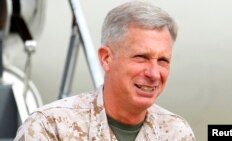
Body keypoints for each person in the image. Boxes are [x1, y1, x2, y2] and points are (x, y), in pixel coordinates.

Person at [14, 1, 195, 141]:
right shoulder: (50, 127)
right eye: (141, 57)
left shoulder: (176, 132)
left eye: (163, 60)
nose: (154, 74)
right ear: (106, 58)